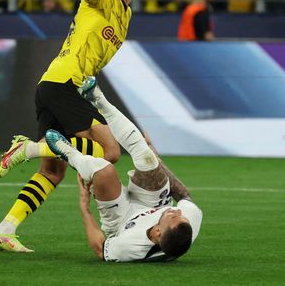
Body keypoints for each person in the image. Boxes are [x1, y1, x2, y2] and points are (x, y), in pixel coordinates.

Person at [0, 0, 147, 253]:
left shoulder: (126, 16)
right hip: (63, 82)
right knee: (110, 151)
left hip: (55, 84)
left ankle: (4, 230)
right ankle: (29, 148)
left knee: (52, 171)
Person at [44, 76, 202, 262]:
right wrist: (155, 157)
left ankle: (70, 154)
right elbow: (184, 196)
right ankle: (99, 99)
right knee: (147, 159)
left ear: (158, 233)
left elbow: (100, 250)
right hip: (154, 204)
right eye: (180, 215)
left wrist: (84, 207)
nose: (178, 212)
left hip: (121, 220)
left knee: (104, 170)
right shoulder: (189, 221)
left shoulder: (129, 247)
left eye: (174, 216)